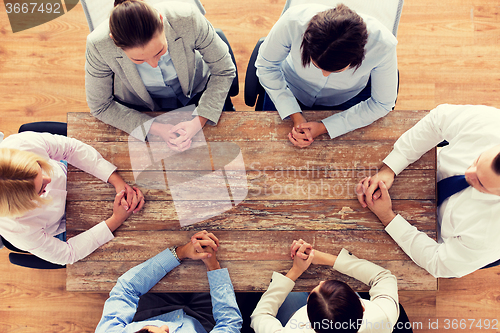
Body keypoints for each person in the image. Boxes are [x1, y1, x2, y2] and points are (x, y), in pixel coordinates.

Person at [356, 104, 500, 278]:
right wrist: (391, 167)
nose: (468, 173)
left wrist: (387, 217)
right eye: (477, 161)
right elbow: (438, 121)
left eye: (481, 184)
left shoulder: (490, 236)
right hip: (424, 171)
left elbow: (439, 263)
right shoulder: (491, 123)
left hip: (444, 239)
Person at [85, 0, 236, 150]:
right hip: (140, 107)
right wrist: (156, 128)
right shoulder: (98, 45)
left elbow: (224, 70)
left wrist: (199, 121)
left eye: (160, 51)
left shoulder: (188, 18)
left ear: (161, 20)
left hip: (197, 92)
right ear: (114, 41)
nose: (153, 64)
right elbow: (100, 106)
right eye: (139, 59)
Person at [256, 4, 398, 148]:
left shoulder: (383, 45)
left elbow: (382, 103)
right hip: (289, 86)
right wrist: (293, 113)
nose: (324, 75)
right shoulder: (292, 22)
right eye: (316, 65)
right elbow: (266, 66)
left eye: (337, 71)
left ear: (359, 57)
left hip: (347, 97)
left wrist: (325, 127)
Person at [0, 131, 144, 265]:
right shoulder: (18, 229)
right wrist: (116, 219)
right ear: (23, 204)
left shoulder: (20, 144)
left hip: (70, 171)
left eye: (39, 168)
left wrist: (116, 180)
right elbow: (67, 254)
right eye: (41, 189)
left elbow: (70, 148)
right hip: (59, 226)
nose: (48, 179)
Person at [95, 230, 242, 333]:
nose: (165, 327)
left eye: (150, 331)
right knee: (243, 292)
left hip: (152, 310)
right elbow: (228, 324)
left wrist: (180, 252)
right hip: (203, 321)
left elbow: (126, 289)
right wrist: (213, 265)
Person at [251, 239, 399, 333]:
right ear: (362, 307)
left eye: (312, 294)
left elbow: (259, 317)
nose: (320, 282)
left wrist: (295, 270)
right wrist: (321, 257)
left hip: (295, 318)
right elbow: (383, 277)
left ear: (310, 326)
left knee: (289, 293)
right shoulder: (382, 318)